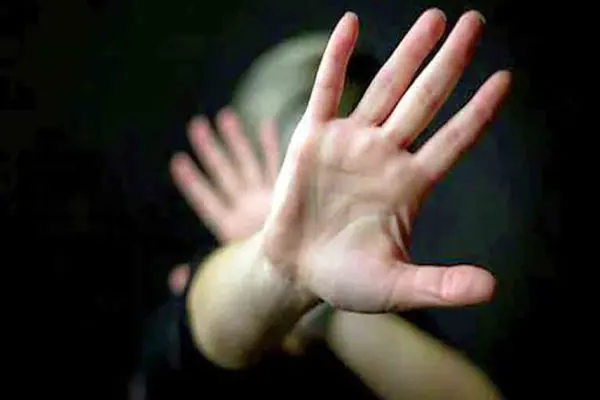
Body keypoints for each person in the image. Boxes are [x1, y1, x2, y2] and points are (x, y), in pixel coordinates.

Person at [138, 8, 511, 399]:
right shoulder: (199, 302)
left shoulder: (395, 310)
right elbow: (195, 340)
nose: (306, 206)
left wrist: (323, 306)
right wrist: (278, 268)